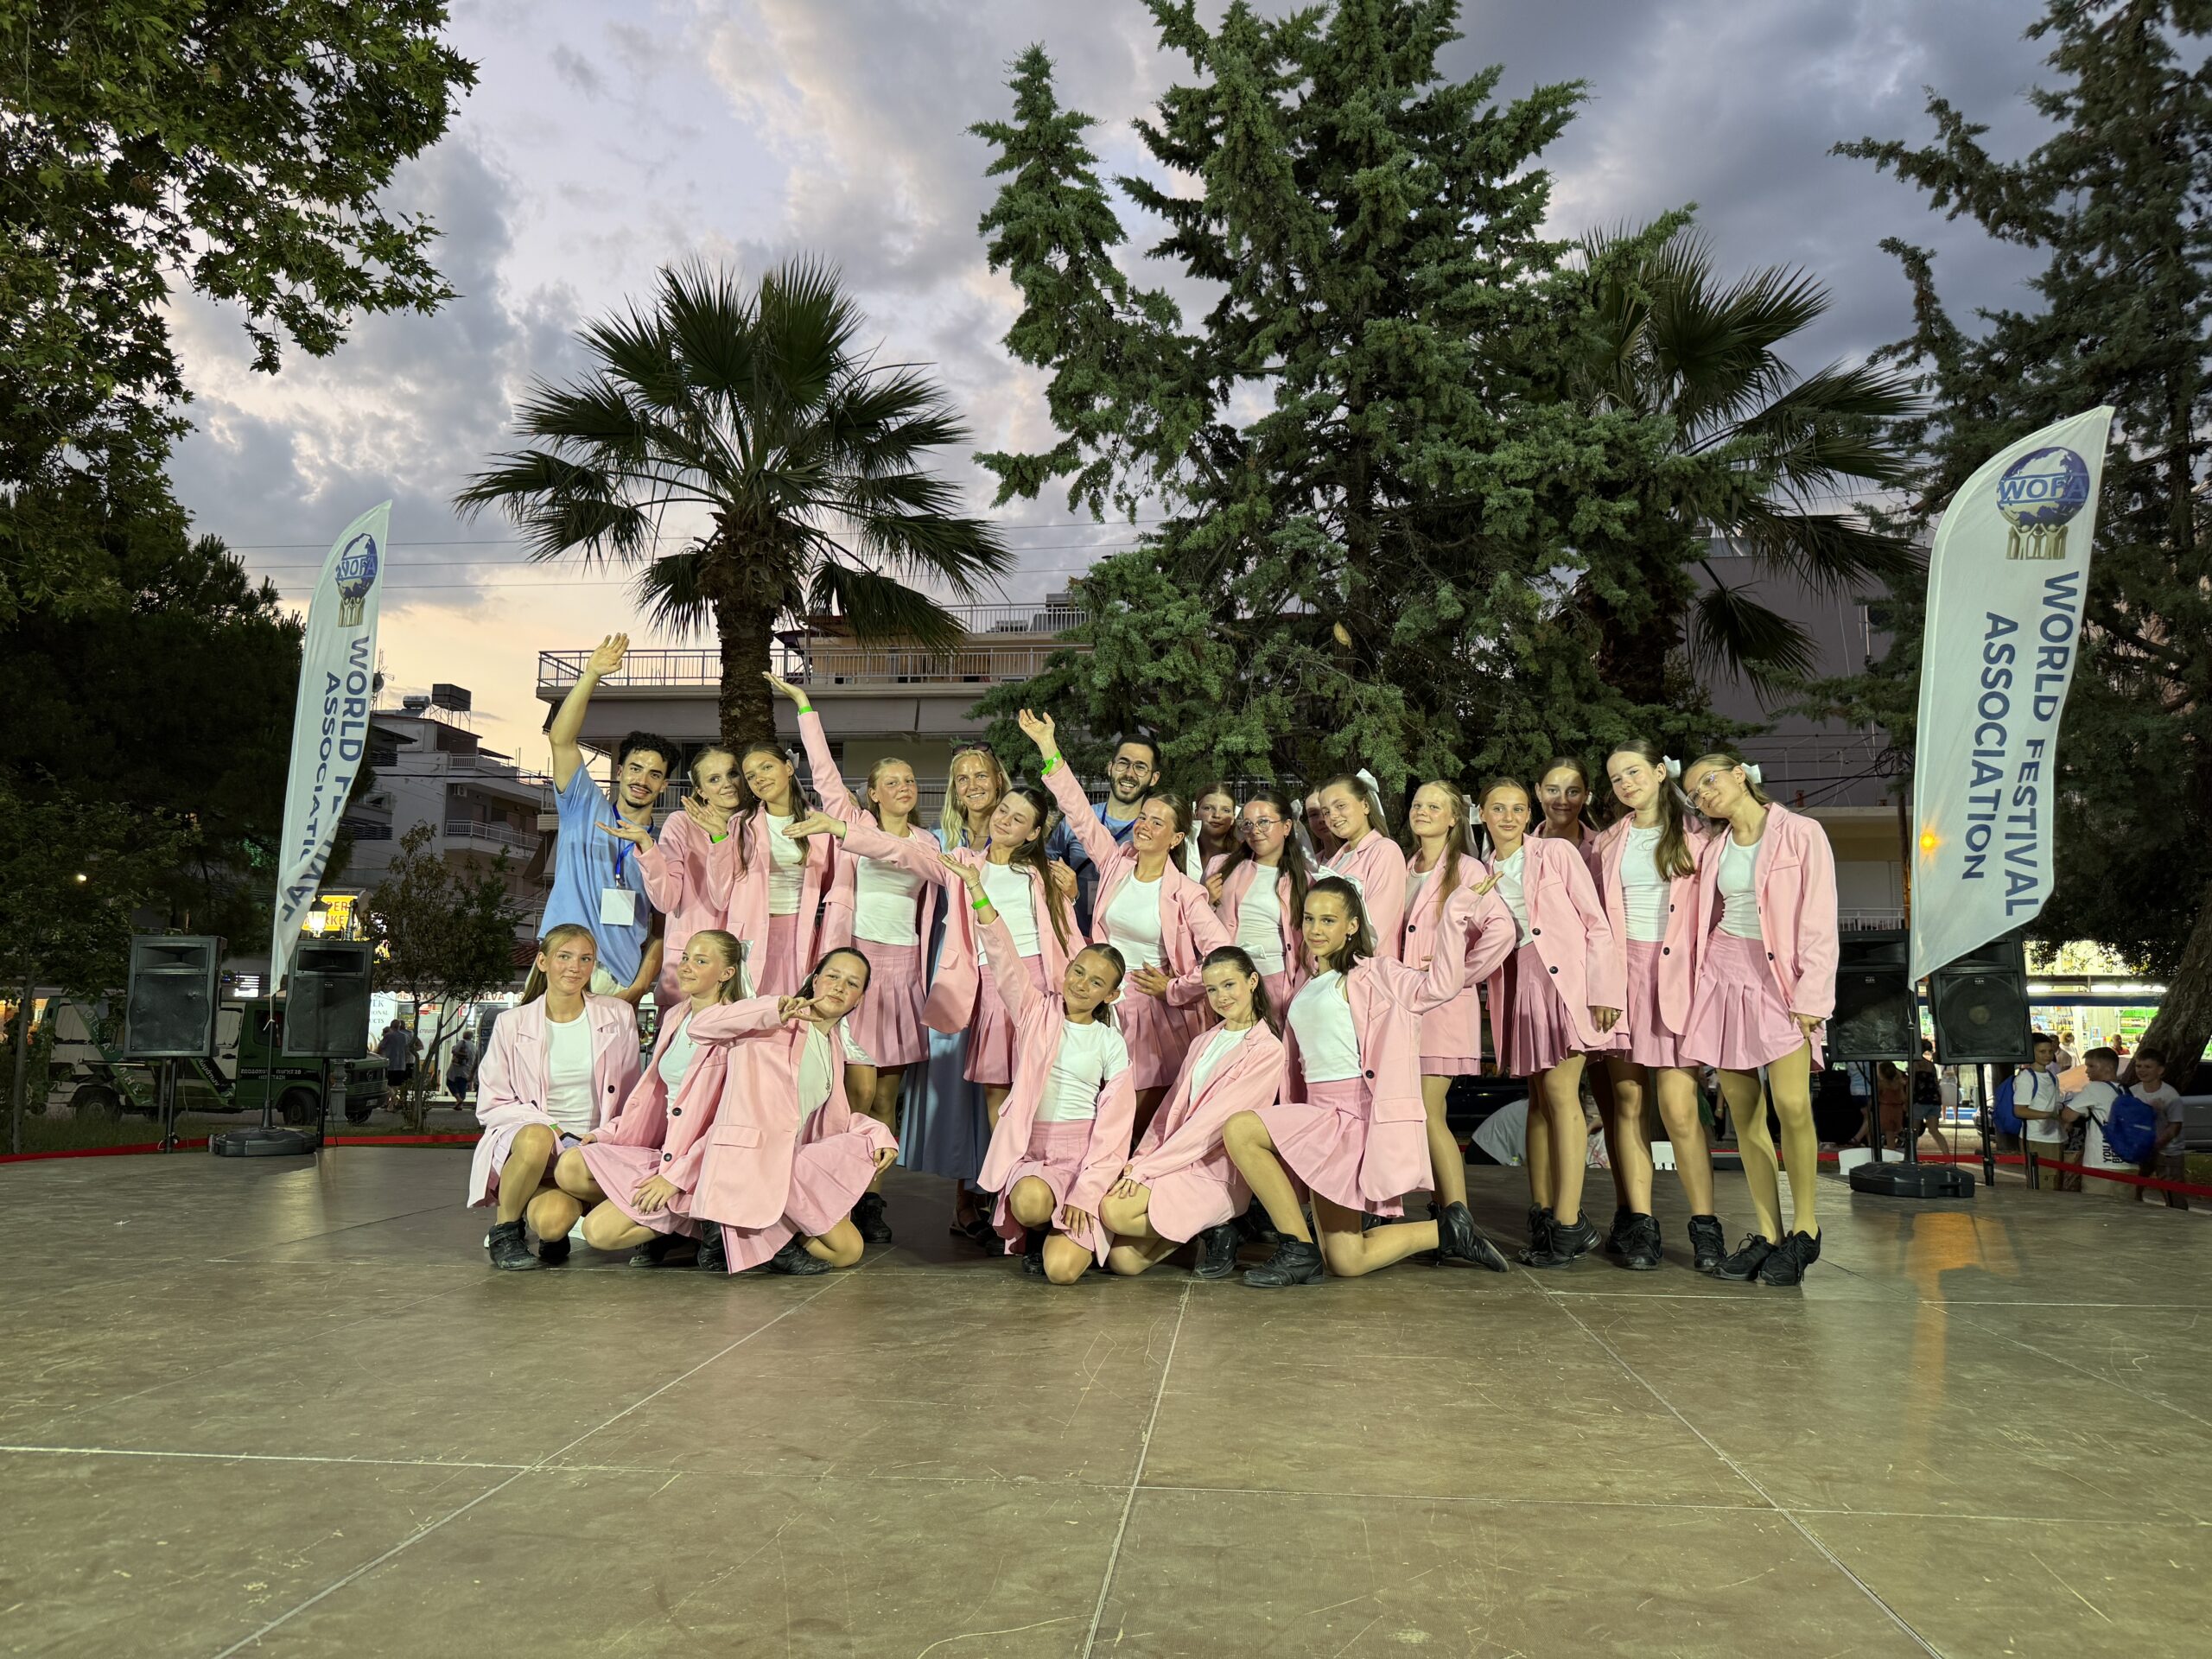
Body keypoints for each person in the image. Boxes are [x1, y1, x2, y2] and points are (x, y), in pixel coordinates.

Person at [792, 779, 1079, 1193]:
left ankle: (1046, 1188)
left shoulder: (1044, 875)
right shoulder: (964, 863)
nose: (1004, 820)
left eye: (1018, 819)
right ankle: (1010, 1195)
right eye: (1004, 811)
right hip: (991, 990)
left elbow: (1066, 936)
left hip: (1040, 989)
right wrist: (842, 831)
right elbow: (904, 851)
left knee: (1043, 1094)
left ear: (1033, 833)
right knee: (997, 1102)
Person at [1223, 875, 1510, 1285]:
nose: (1316, 930)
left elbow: (1440, 986)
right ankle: (1448, 1230)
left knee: (1241, 1130)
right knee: (1347, 1260)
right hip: (1319, 1118)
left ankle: (1296, 1248)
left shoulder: (1378, 973)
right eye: (1309, 919)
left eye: (1328, 920)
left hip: (1351, 1119)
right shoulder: (1308, 985)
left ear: (1352, 925)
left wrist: (1455, 913)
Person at [774, 672, 938, 1244]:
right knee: (855, 1091)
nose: (902, 786)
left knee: (887, 1098)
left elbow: (915, 865)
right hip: (854, 968)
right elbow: (822, 771)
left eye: (909, 780)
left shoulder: (928, 843)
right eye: (890, 780)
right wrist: (803, 705)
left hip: (904, 974)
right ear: (871, 791)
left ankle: (871, 1197)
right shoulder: (851, 821)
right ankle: (835, 1189)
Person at [1022, 708, 1228, 1138]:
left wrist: (1176, 988)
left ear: (1175, 839)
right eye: (1143, 817)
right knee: (1093, 1114)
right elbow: (1078, 811)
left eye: (1158, 822)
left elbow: (1225, 957)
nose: (1145, 825)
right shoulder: (1115, 864)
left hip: (1154, 1018)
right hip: (1101, 1005)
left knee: (1133, 1127)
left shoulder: (1187, 893)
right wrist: (1048, 747)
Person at [1681, 752, 1839, 1286]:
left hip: (1783, 981)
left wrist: (1814, 993)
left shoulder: (1801, 832)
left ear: (1740, 775)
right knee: (1743, 1114)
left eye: (1710, 780)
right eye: (1694, 792)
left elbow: (1819, 916)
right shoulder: (1710, 847)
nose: (1704, 794)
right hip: (1725, 975)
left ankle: (1806, 1229)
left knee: (1792, 1104)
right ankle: (1768, 1233)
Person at [954, 856, 1135, 1284]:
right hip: (1036, 1151)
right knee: (1032, 1202)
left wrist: (1087, 1191)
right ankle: (1037, 1231)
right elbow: (1002, 954)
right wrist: (977, 888)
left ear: (1110, 995)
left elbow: (1114, 1127)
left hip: (1083, 1156)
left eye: (1096, 983)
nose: (1081, 984)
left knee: (1061, 1275)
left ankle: (1067, 1231)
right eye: (1078, 972)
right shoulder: (1036, 1010)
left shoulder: (1111, 1041)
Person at [1471, 777, 1624, 1268]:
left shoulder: (1555, 854)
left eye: (1518, 808)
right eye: (1499, 809)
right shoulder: (1480, 869)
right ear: (1482, 814)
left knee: (1562, 1099)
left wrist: (1603, 990)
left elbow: (1595, 921)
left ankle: (1569, 1223)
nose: (1510, 817)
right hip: (1517, 986)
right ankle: (1542, 1211)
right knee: (1536, 1102)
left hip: (1563, 984)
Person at [683, 948, 900, 1273]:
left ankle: (754, 1241)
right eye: (832, 976)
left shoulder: (833, 1046)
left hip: (788, 1167)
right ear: (814, 981)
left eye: (852, 983)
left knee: (848, 1252)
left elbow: (835, 1122)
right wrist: (774, 1009)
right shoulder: (773, 1023)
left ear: (859, 999)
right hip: (749, 1163)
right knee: (844, 1250)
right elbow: (701, 1026)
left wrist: (878, 1132)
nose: (840, 987)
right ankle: (745, 1236)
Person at [1594, 742, 1726, 1273]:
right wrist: (1600, 987)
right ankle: (1642, 1226)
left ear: (1657, 772)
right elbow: (1597, 924)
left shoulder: (1700, 838)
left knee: (1678, 1110)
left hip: (1677, 983)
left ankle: (1706, 1228)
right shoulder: (1607, 843)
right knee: (1628, 1106)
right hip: (1621, 982)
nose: (1625, 783)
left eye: (1633, 772)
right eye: (1615, 777)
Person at [553, 930, 747, 1262]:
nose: (686, 967)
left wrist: (674, 1180)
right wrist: (603, 1134)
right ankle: (679, 1224)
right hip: (663, 1150)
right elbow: (652, 1100)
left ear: (727, 973)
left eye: (700, 961)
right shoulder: (675, 1016)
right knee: (569, 1165)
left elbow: (729, 1125)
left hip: (702, 1164)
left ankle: (697, 1218)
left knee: (599, 1233)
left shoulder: (738, 1029)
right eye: (685, 957)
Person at [1103, 948, 1287, 1278]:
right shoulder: (1203, 1042)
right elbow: (1167, 1114)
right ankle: (1201, 1229)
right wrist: (1139, 1159)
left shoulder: (1267, 1050)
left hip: (1213, 1171)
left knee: (1115, 1212)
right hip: (1176, 1158)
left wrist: (1147, 1169)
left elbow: (1211, 1126)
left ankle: (1221, 1220)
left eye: (1229, 985)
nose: (1221, 997)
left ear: (1253, 981)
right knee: (1124, 1262)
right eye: (1212, 989)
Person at [468, 925, 642, 1269]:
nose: (574, 967)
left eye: (585, 958)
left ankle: (577, 1211)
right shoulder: (511, 1023)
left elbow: (633, 1097)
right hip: (537, 1146)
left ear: (593, 966)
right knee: (535, 1137)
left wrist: (603, 1138)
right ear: (544, 962)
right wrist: (553, 1129)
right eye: (564, 956)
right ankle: (506, 1230)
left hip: (595, 1147)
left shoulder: (618, 1015)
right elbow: (492, 1104)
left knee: (552, 1224)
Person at [1400, 780, 1517, 1239]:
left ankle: (1458, 1220)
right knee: (1413, 1112)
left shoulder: (1467, 869)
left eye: (1434, 806)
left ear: (1454, 818)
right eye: (1417, 804)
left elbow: (1502, 930)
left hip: (1443, 1010)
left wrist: (1459, 973)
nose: (1423, 811)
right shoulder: (1404, 867)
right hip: (1403, 1007)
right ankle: (1439, 1215)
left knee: (1430, 1112)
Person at [543, 632, 670, 1004]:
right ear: (619, 772)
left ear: (663, 786)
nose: (642, 780)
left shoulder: (662, 848)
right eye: (635, 768)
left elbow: (663, 929)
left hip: (621, 981)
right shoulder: (583, 804)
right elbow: (561, 741)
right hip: (564, 967)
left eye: (654, 774)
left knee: (614, 1066)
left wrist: (638, 987)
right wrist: (591, 675)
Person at [616, 741, 741, 1007]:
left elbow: (726, 897)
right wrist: (648, 849)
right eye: (714, 779)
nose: (727, 784)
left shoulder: (754, 826)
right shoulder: (680, 823)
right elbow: (665, 900)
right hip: (687, 971)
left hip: (737, 966)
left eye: (733, 773)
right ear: (700, 790)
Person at [722, 736, 836, 998]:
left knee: (794, 1009)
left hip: (800, 932)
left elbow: (828, 883)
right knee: (750, 1011)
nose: (759, 778)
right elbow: (723, 889)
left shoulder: (818, 823)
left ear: (788, 768)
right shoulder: (740, 824)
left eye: (766, 767)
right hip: (751, 931)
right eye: (750, 776)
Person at [1043, 729, 1171, 930]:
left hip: (1124, 941)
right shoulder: (1074, 822)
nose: (1129, 773)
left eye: (1140, 767)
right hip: (1072, 934)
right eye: (1123, 763)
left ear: (1154, 778)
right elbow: (1045, 865)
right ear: (1110, 767)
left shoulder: (1153, 834)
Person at [1206, 787, 1313, 1017]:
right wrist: (1206, 900)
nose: (1255, 831)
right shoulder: (1220, 866)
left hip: (1275, 980)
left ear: (1286, 827)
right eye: (1248, 824)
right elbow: (1195, 923)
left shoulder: (1303, 881)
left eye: (1264, 822)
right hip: (1226, 978)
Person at [1316, 771, 1408, 944]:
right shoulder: (1337, 860)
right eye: (1326, 812)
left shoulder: (1385, 851)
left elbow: (1374, 928)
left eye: (1340, 806)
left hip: (1360, 964)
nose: (1333, 816)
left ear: (1365, 805)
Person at [2061, 1046, 2134, 1199]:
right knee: (2126, 1215)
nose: (2087, 1071)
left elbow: (2068, 1115)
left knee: (2099, 1212)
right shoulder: (2126, 1090)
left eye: (2091, 1066)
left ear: (2108, 1067)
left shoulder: (2095, 1088)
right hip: (2129, 1165)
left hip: (2100, 1164)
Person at [2125, 1046, 2188, 1210]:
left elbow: (2175, 1127)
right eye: (2139, 1066)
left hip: (2168, 1151)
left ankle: (2180, 1222)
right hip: (2140, 1150)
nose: (2142, 1070)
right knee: (2133, 1188)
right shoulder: (2132, 1092)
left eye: (2148, 1067)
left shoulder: (2170, 1095)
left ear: (2160, 1070)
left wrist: (2156, 1145)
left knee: (2172, 1193)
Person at [2012, 1033, 2065, 1189]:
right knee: (2043, 1181)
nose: (2048, 1055)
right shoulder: (2026, 1078)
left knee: (2055, 1180)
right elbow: (2020, 1110)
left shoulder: (2052, 1075)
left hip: (2055, 1135)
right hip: (2037, 1137)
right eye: (2042, 1051)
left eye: (2050, 1051)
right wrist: (2048, 1115)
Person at [1192, 784, 1241, 874]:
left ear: (1233, 817)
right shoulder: (1182, 850)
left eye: (1226, 810)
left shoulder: (1242, 856)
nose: (1217, 815)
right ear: (1196, 813)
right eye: (1208, 808)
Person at [378, 1018, 414, 1094]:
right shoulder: (405, 1037)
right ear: (399, 1027)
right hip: (401, 1065)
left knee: (387, 1084)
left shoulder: (388, 1036)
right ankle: (392, 1103)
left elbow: (380, 1047)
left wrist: (379, 1058)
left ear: (391, 1026)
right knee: (396, 1086)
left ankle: (393, 1099)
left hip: (390, 1065)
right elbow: (407, 1051)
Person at [444, 1033, 476, 1106]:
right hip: (467, 1069)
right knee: (462, 1086)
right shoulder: (474, 1046)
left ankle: (458, 1099)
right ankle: (460, 1105)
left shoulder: (462, 1042)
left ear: (463, 1035)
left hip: (457, 1067)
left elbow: (454, 1051)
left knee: (450, 1082)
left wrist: (453, 1048)